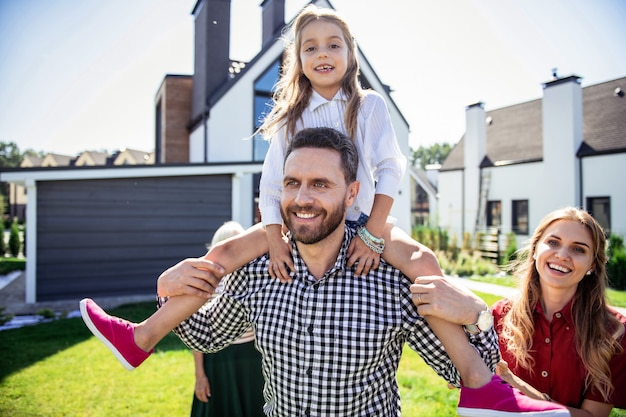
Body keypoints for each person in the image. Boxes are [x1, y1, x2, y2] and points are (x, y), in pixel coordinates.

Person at [79, 6, 567, 416]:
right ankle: (141, 338)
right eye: (309, 47)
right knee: (225, 252)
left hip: (366, 219)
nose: (322, 54)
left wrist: (374, 234)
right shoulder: (290, 114)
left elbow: (392, 170)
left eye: (333, 44)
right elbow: (273, 185)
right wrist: (271, 240)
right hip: (289, 227)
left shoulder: (368, 106)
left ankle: (482, 385)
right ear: (297, 60)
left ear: (350, 54)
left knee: (423, 266)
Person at [158, 127, 570, 416]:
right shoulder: (262, 269)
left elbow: (458, 369)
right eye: (292, 183)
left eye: (320, 184)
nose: (302, 198)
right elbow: (208, 335)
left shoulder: (391, 280)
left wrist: (478, 317)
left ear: (352, 192)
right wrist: (168, 290)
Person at [490, 207, 626, 417]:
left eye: (578, 249)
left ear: (592, 264)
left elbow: (593, 416)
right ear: (535, 249)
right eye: (553, 242)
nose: (562, 255)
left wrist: (512, 381)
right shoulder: (498, 315)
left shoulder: (615, 332)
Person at [190, 221, 264, 417]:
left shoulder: (253, 276)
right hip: (218, 357)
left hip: (252, 356)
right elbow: (198, 331)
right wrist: (200, 375)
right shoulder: (206, 281)